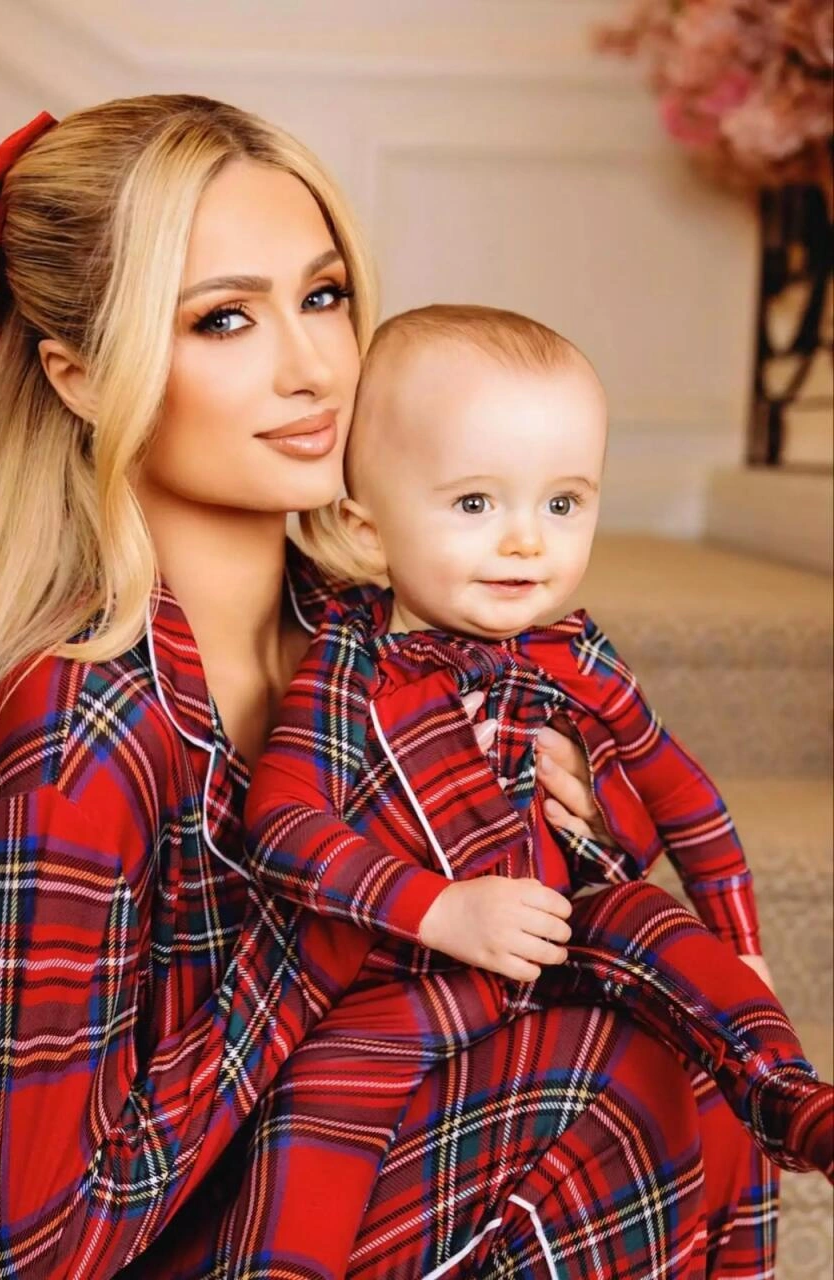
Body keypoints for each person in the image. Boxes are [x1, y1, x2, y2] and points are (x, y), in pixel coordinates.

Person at [0, 96, 783, 1279]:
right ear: (80, 375)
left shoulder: (362, 628)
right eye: (224, 318)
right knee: (594, 1083)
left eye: (323, 297)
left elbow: (538, 939)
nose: (313, 367)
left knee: (675, 1058)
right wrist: (335, 908)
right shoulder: (85, 730)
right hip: (144, 1250)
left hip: (328, 1169)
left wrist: (577, 816)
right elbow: (35, 1249)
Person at [229, 304, 832, 1271]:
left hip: (563, 936)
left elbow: (687, 801)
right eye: (475, 504)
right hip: (409, 976)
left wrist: (745, 947)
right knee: (313, 1115)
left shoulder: (576, 656)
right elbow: (284, 823)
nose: (526, 543)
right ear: (366, 529)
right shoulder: (352, 663)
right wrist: (441, 910)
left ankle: (792, 1099)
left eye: (563, 504)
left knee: (653, 924)